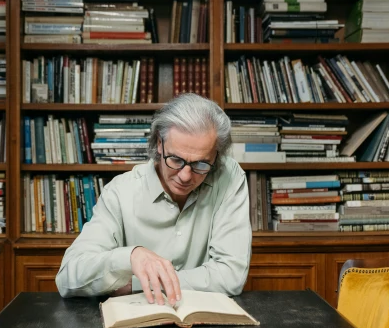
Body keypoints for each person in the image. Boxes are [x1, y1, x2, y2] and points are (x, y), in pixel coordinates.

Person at [55, 93, 252, 306]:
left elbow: (231, 276)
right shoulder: (121, 191)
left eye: (201, 164)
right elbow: (68, 278)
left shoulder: (229, 177)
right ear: (159, 143)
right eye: (175, 159)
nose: (185, 176)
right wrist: (130, 257)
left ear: (217, 155)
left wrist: (138, 284)